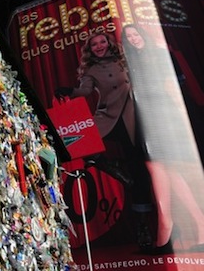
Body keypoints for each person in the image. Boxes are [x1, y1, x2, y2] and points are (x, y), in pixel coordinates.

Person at [56, 32, 153, 250]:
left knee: (139, 173)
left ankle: (142, 228)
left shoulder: (124, 59)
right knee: (84, 144)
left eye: (102, 42)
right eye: (94, 44)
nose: (99, 46)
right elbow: (85, 91)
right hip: (107, 117)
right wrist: (69, 91)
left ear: (109, 43)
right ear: (90, 49)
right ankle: (116, 170)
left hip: (133, 118)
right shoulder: (91, 70)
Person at [121, 24, 204, 254]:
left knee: (157, 168)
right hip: (147, 117)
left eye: (136, 34)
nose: (134, 39)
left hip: (163, 116)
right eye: (129, 37)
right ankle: (195, 224)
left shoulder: (158, 53)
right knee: (166, 171)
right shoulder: (133, 61)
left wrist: (179, 121)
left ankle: (166, 228)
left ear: (143, 34)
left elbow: (172, 88)